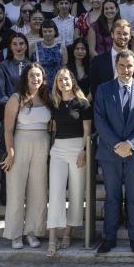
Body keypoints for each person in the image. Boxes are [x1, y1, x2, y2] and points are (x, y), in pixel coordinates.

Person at [94, 50, 134, 254]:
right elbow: (100, 121)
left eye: (129, 66)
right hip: (109, 153)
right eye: (122, 66)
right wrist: (116, 145)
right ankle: (109, 238)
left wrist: (130, 143)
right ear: (116, 66)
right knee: (111, 197)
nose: (126, 70)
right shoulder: (103, 89)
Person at [1, 63, 51, 249]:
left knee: (38, 190)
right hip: (20, 141)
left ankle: (32, 231)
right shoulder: (16, 98)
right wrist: (10, 151)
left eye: (38, 75)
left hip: (42, 142)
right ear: (25, 77)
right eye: (31, 75)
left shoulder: (47, 97)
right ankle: (15, 234)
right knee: (16, 190)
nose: (35, 79)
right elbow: (7, 128)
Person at [46, 68, 92, 257]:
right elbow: (53, 128)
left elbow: (87, 130)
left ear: (72, 81)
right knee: (55, 192)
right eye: (59, 80)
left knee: (76, 191)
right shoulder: (54, 103)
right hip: (58, 149)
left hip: (77, 149)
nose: (63, 82)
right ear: (56, 83)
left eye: (66, 79)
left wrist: (83, 150)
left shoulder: (83, 103)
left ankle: (67, 233)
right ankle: (51, 239)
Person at [89, 20, 134, 100]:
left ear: (130, 36)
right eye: (118, 33)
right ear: (112, 34)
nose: (122, 36)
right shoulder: (98, 61)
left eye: (125, 34)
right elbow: (94, 89)